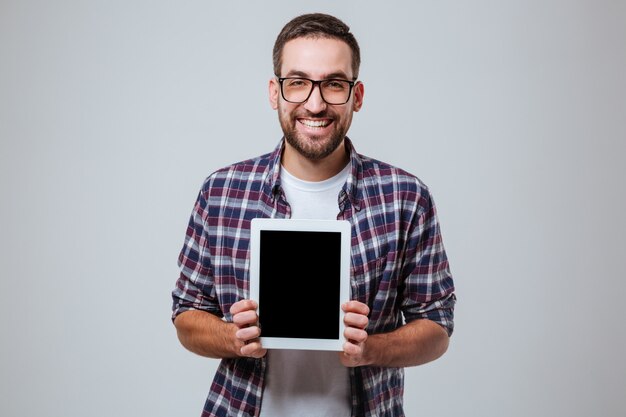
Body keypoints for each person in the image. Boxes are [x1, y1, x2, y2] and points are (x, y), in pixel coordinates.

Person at [172, 13, 456, 417]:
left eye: (334, 84)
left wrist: (371, 348)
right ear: (275, 92)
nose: (315, 103)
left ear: (356, 95)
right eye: (298, 83)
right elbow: (186, 314)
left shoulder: (405, 197)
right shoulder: (221, 191)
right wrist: (232, 336)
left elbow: (437, 326)